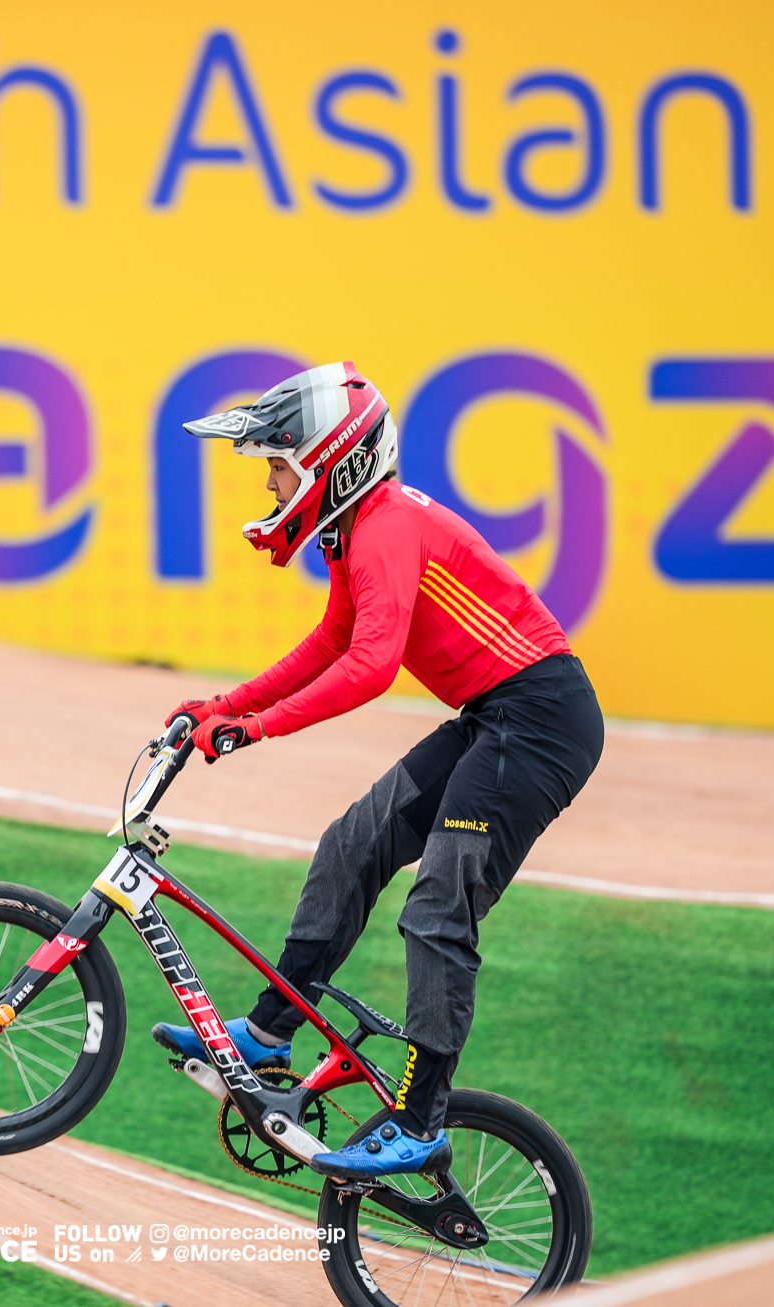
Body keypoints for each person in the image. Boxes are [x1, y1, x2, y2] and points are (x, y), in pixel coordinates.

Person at [151, 361, 604, 1179]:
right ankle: (269, 1027)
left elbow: (369, 667)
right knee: (352, 842)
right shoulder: (360, 530)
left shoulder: (387, 525)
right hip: (499, 717)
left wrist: (252, 730)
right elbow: (331, 643)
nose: (270, 482)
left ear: (332, 461)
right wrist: (222, 703)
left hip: (537, 724)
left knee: (437, 909)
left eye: (278, 465)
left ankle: (423, 1116)